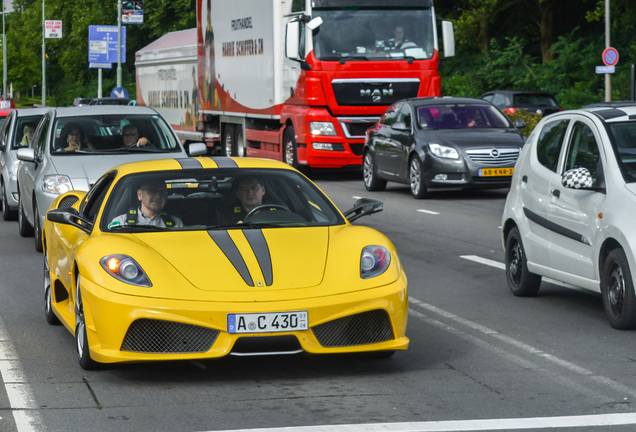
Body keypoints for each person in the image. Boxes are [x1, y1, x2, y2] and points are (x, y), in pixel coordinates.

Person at [108, 179, 183, 229]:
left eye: (163, 192)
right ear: (140, 194)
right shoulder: (121, 223)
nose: (158, 196)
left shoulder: (176, 223)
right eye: (153, 191)